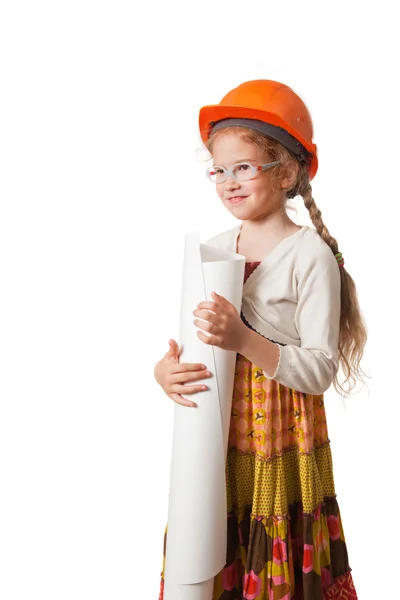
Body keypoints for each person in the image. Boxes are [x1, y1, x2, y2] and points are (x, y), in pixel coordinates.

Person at [154, 80, 367, 600]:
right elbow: (193, 340)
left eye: (244, 166)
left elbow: (318, 370)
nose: (228, 181)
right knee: (202, 539)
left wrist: (243, 338)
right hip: (216, 434)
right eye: (219, 170)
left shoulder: (308, 255)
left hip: (278, 440)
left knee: (269, 556)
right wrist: (166, 371)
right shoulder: (213, 248)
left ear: (288, 170)